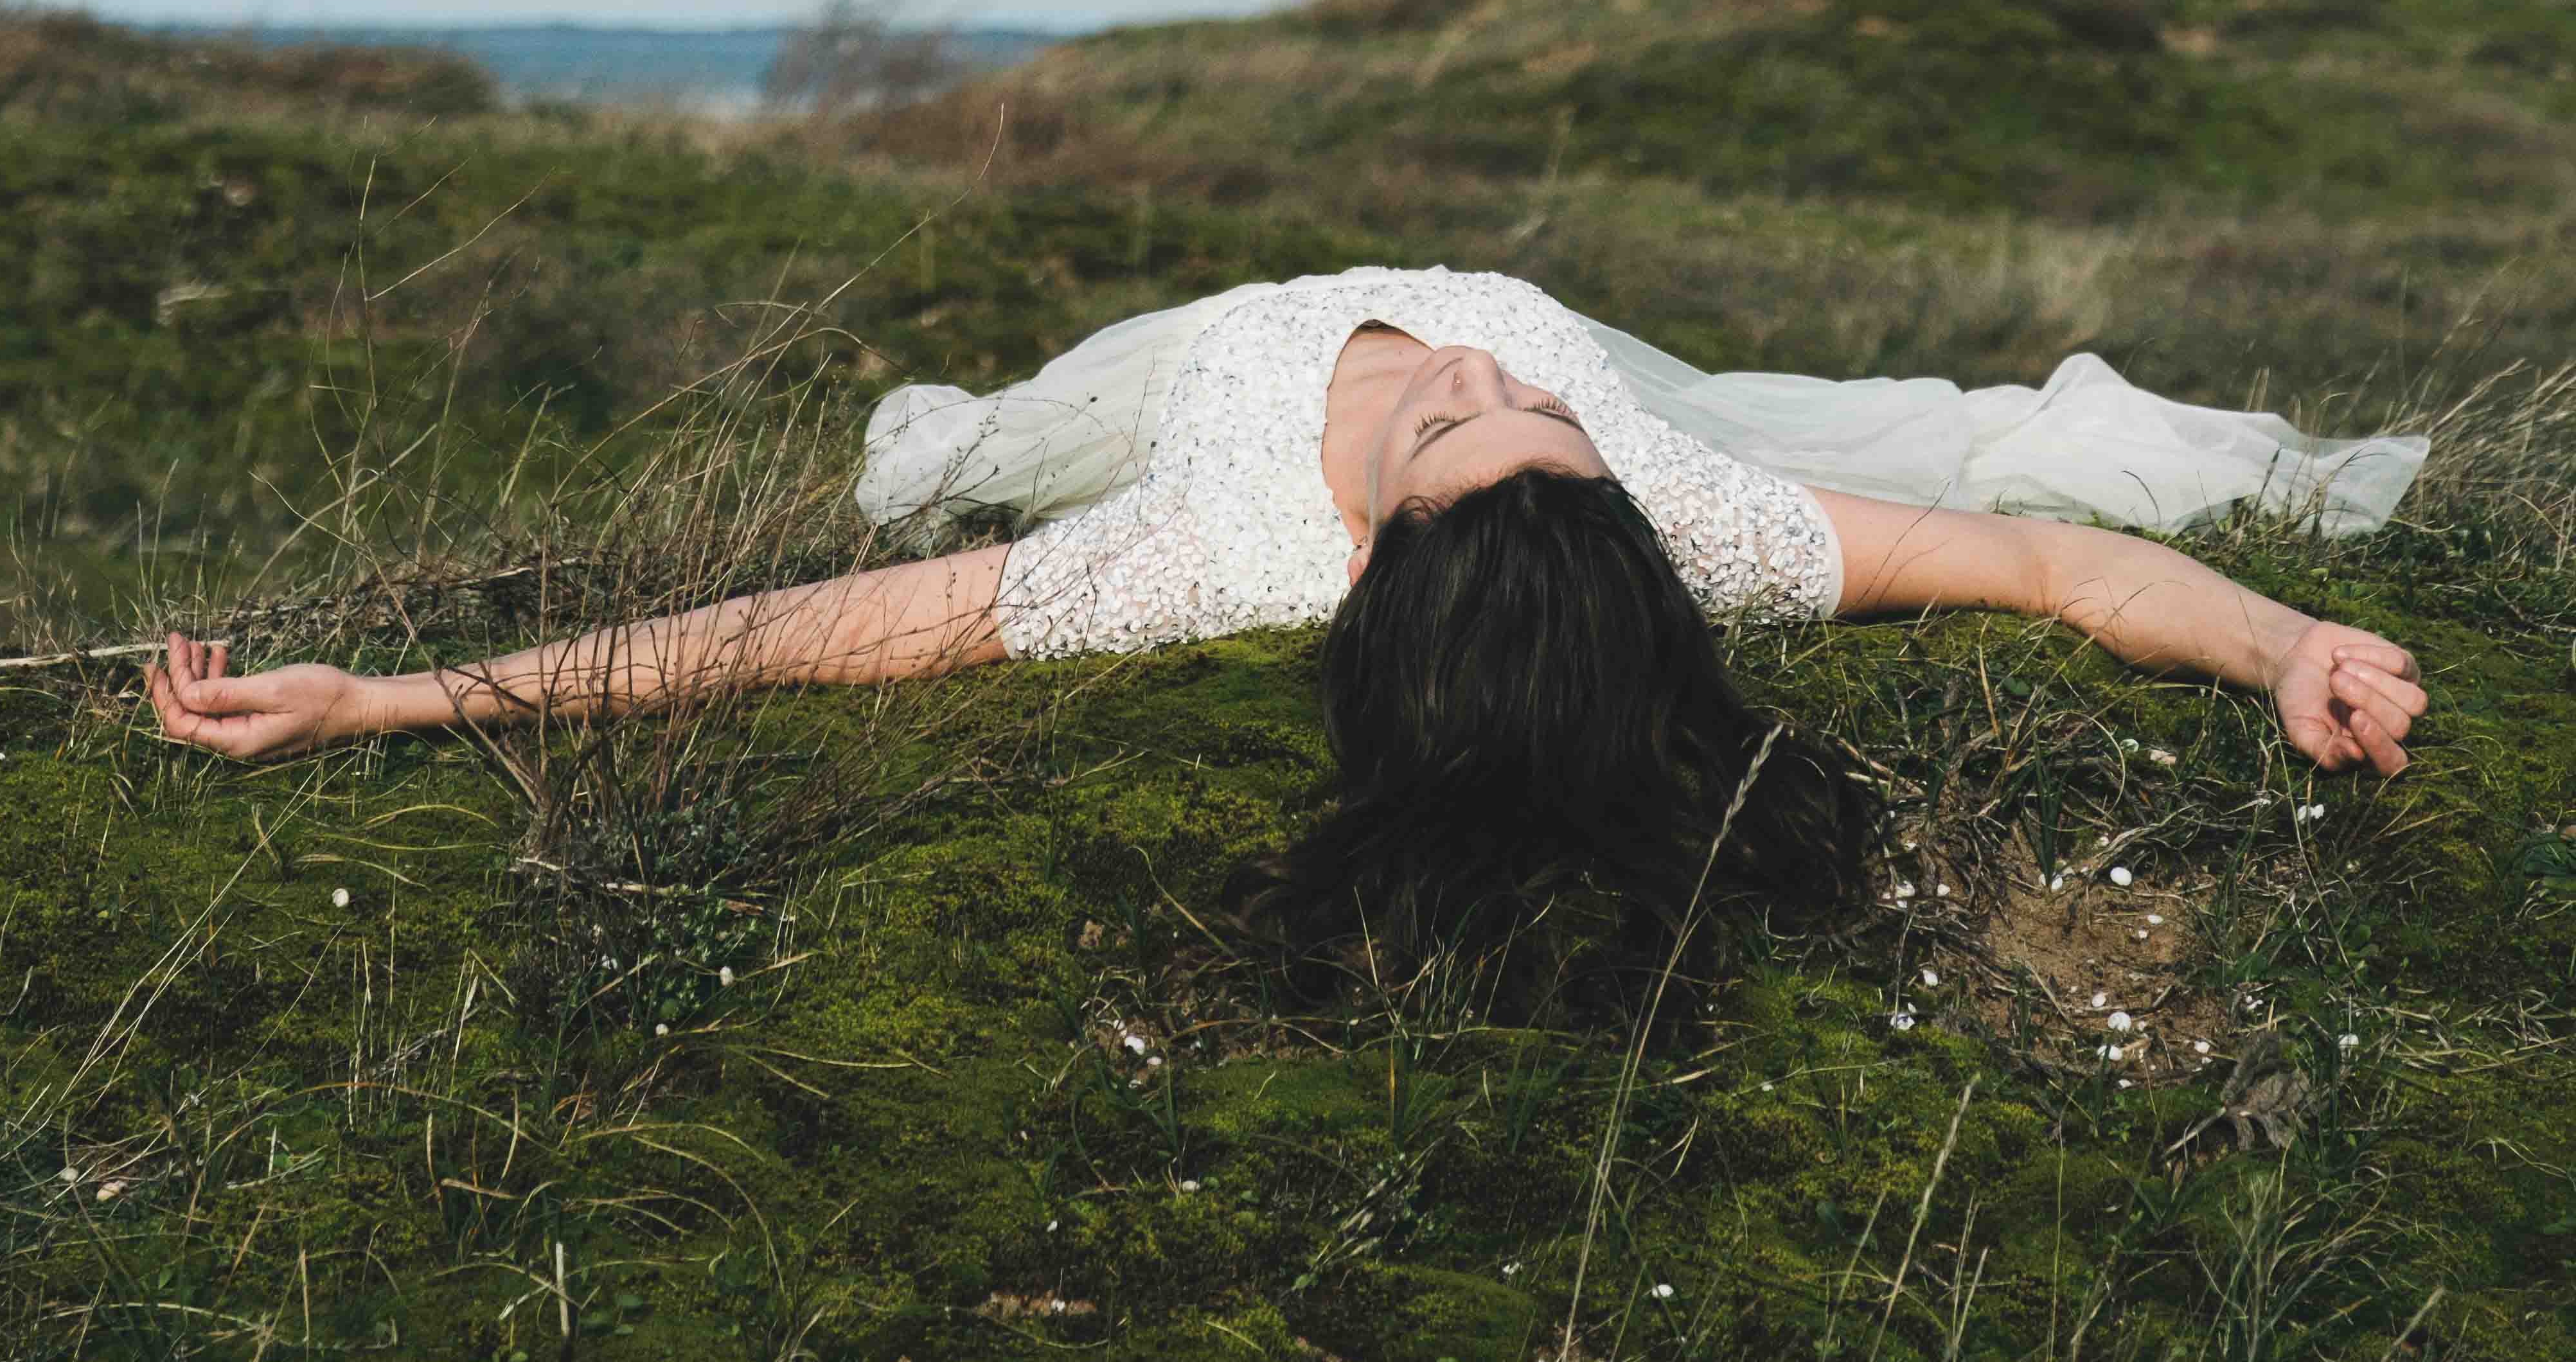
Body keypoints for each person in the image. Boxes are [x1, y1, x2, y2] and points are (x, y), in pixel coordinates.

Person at [145, 266, 2429, 963]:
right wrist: (2274, 648)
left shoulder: (1244, 547)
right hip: (1350, 376)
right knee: (1976, 435)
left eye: (1487, 420)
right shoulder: (1623, 492)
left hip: (1200, 392)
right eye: (1504, 407)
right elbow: (2054, 567)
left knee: (955, 480)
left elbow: (828, 627)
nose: (1478, 371)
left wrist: (402, 703)